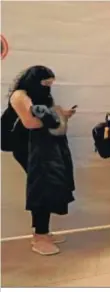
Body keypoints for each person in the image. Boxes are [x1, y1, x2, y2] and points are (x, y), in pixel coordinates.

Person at [7, 65, 76, 255]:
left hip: (41, 148)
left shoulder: (39, 97)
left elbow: (46, 119)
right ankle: (40, 236)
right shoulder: (20, 95)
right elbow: (31, 122)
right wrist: (57, 117)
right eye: (45, 83)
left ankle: (43, 233)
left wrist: (61, 116)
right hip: (26, 148)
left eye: (50, 84)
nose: (48, 87)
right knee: (41, 188)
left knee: (48, 186)